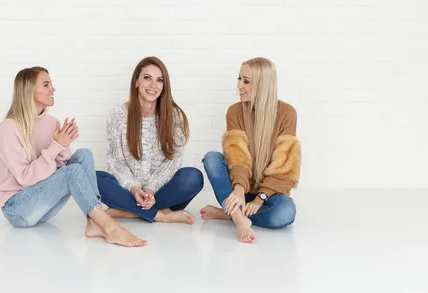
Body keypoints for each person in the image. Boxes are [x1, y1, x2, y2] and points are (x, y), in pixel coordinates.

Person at [0, 66, 146, 247]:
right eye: (46, 85)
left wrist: (63, 145)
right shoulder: (9, 128)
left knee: (84, 155)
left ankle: (93, 222)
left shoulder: (51, 122)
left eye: (51, 84)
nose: (53, 89)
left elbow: (62, 168)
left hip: (42, 207)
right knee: (73, 171)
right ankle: (108, 226)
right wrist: (55, 146)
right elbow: (25, 178)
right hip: (18, 209)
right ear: (29, 90)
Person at [200, 58, 301, 243]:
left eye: (246, 81)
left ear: (263, 84)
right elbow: (237, 157)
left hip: (268, 194)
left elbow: (284, 167)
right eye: (239, 79)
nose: (239, 86)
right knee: (212, 158)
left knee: (286, 213)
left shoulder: (287, 114)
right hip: (240, 189)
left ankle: (228, 213)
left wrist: (260, 199)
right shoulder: (235, 112)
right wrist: (239, 189)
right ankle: (239, 219)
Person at [97, 57, 204, 224]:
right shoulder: (117, 116)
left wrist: (151, 190)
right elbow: (116, 163)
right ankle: (160, 215)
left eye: (159, 80)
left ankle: (126, 211)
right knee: (95, 179)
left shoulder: (174, 116)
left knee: (193, 177)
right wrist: (134, 189)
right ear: (136, 82)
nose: (153, 85)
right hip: (128, 191)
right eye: (147, 78)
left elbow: (172, 162)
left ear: (164, 86)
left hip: (162, 192)